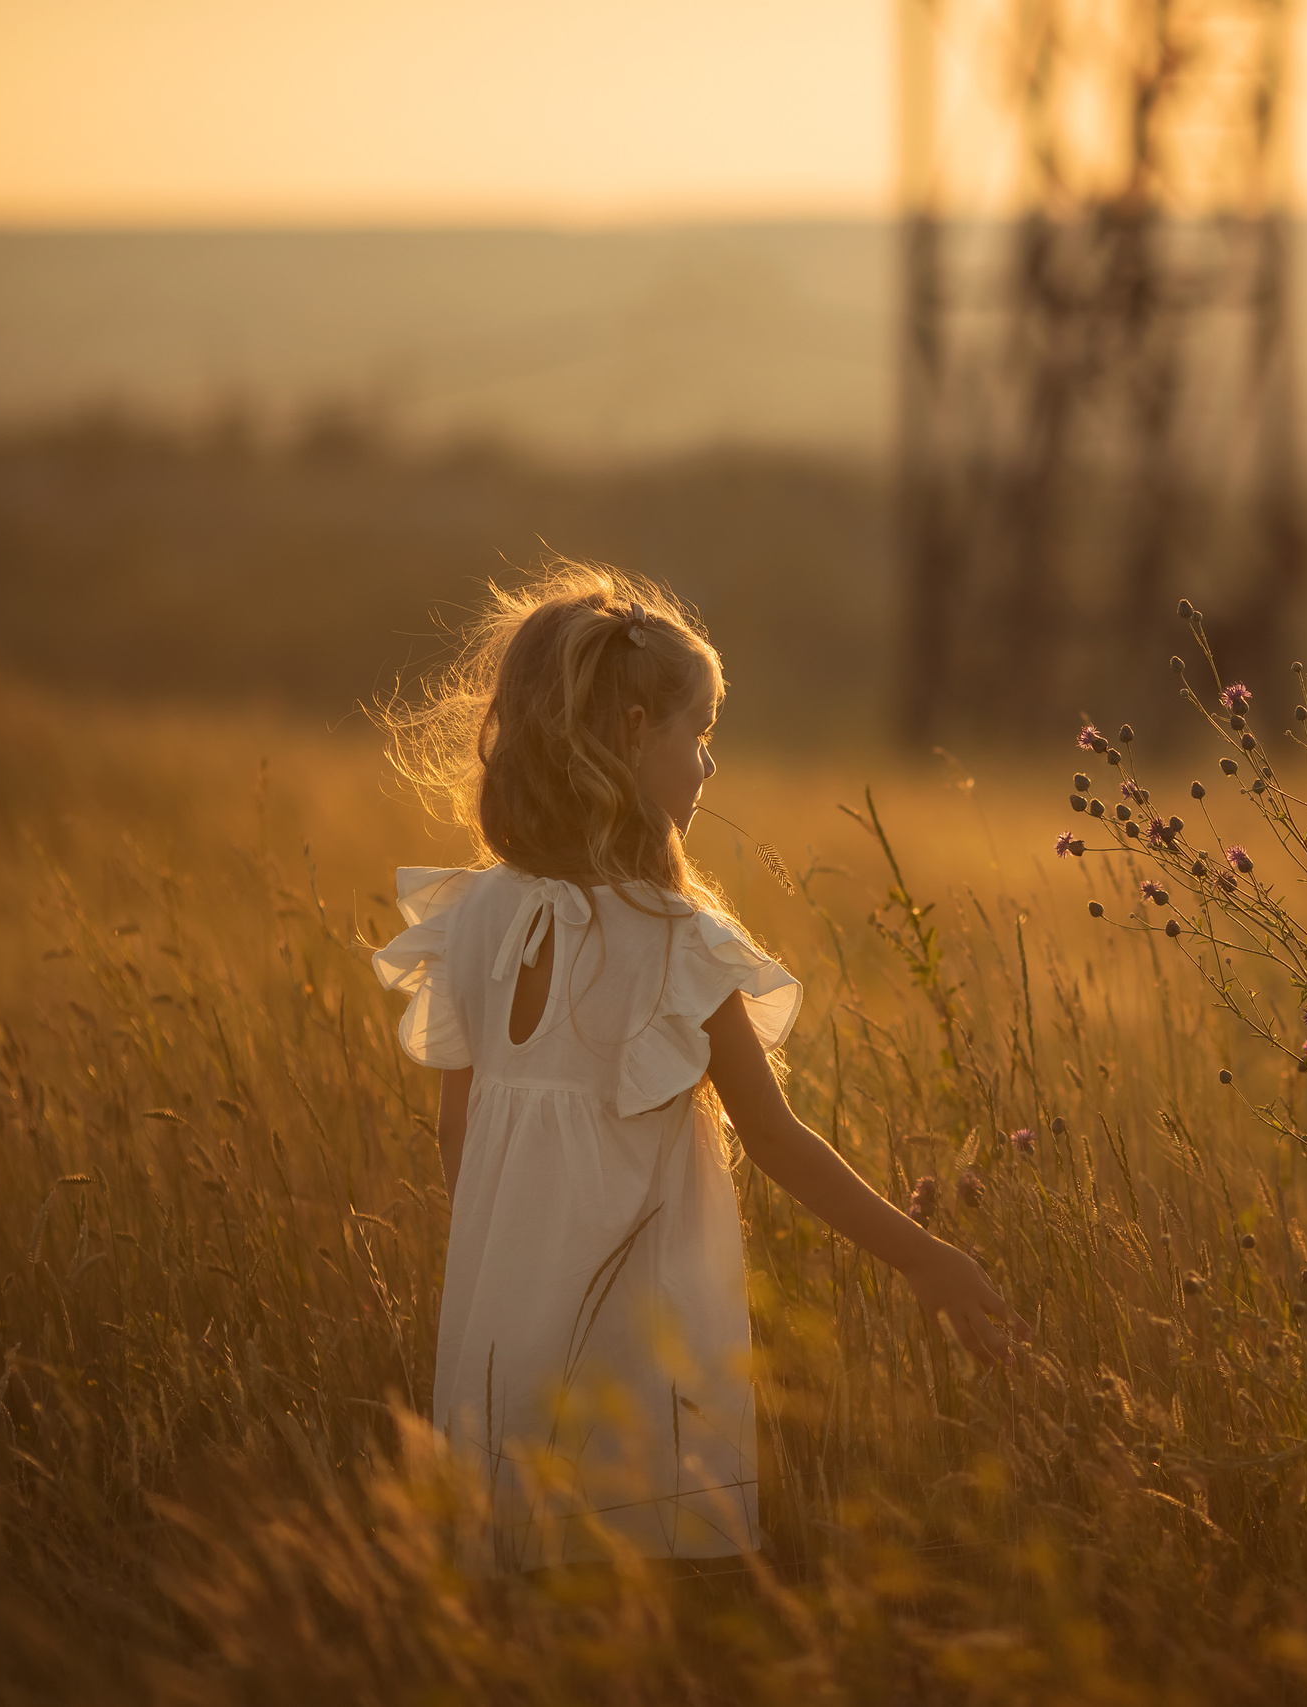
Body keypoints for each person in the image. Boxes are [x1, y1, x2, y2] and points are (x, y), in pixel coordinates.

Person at [371, 562, 1019, 1574]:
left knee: (528, 1598)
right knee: (660, 1594)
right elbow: (776, 1141)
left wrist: (510, 1270)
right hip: (644, 1339)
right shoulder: (675, 941)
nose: (708, 767)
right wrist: (925, 1259)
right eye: (697, 735)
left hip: (500, 1324)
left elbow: (458, 1136)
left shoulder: (472, 920)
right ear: (634, 732)